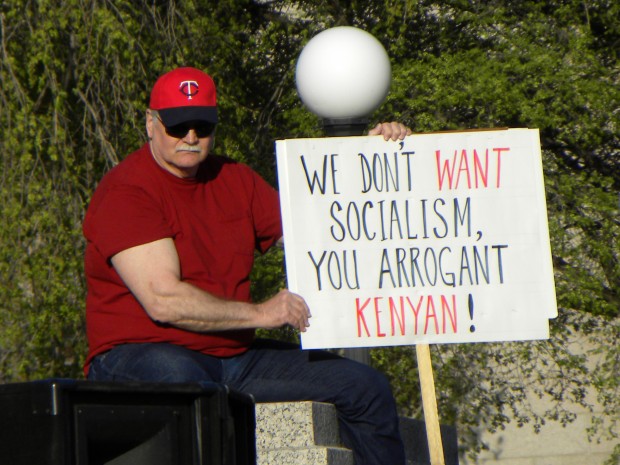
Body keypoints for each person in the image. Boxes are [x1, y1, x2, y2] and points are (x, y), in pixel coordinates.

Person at [83, 67, 411, 465]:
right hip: (141, 353)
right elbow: (163, 300)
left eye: (201, 126)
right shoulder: (127, 190)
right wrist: (262, 313)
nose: (190, 136)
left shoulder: (235, 179)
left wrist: (365, 159)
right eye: (177, 125)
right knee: (191, 391)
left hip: (234, 356)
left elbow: (324, 228)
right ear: (151, 124)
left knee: (367, 388)